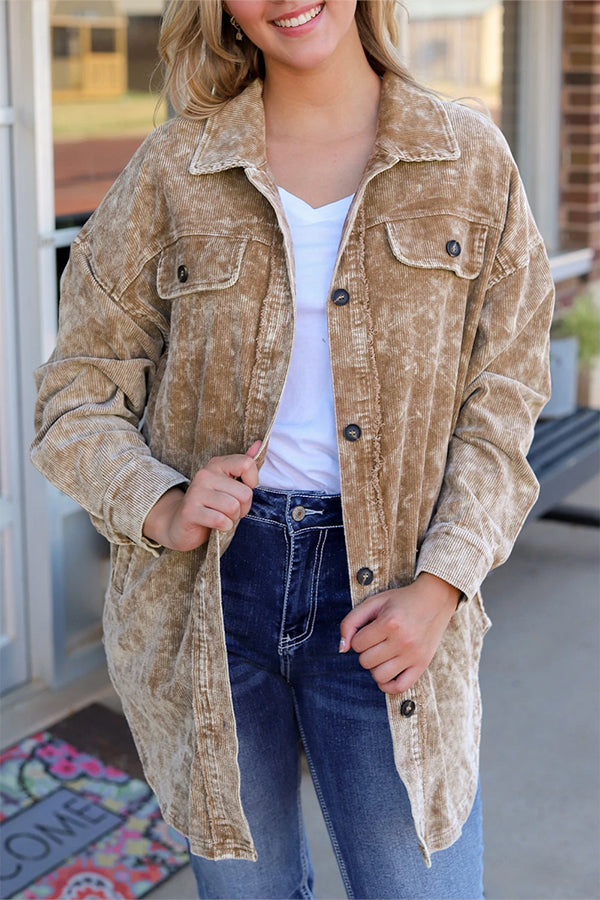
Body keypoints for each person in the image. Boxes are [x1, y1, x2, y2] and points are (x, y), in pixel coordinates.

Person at [31, 1, 554, 897]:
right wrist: (159, 502)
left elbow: (504, 403)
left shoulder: (467, 160)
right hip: (215, 602)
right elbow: (75, 392)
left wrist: (442, 585)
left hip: (393, 598)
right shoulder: (174, 170)